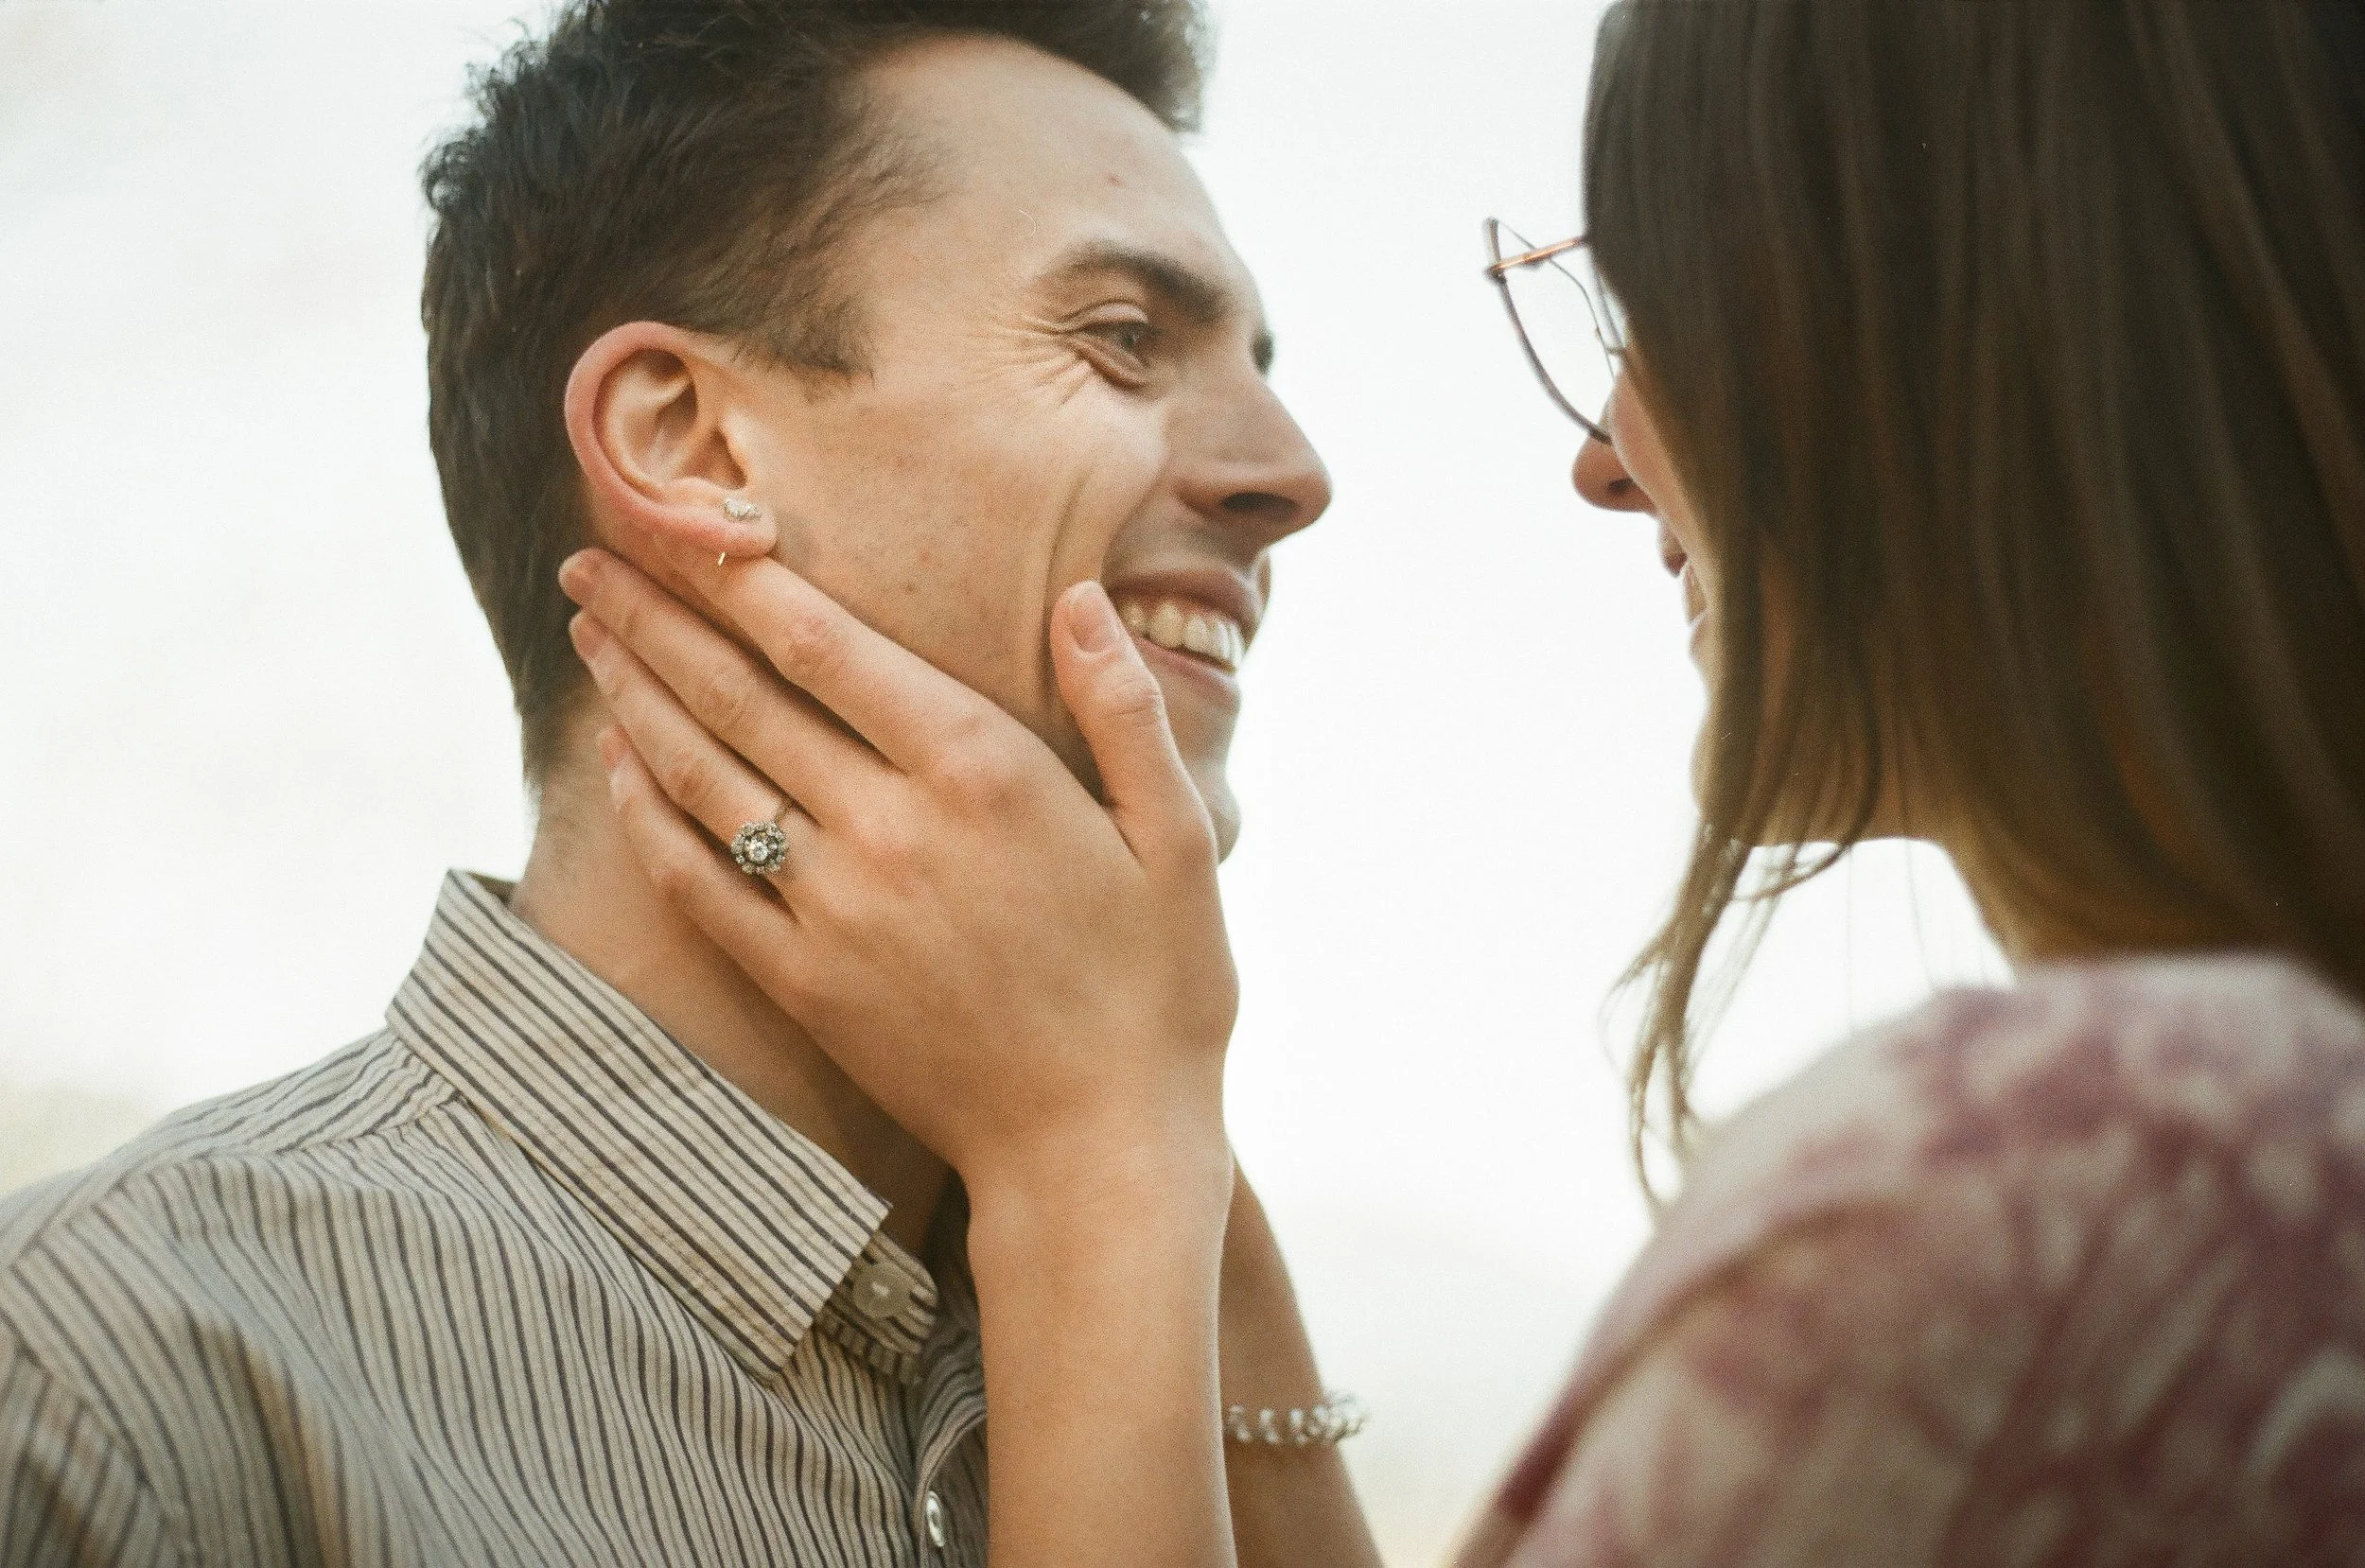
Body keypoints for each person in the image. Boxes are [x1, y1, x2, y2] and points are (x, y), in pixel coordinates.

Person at [560, 0, 2365, 1561]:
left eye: (1669, 309)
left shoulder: (2051, 1192)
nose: (1605, 455)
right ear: (685, 443)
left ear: (1962, 335)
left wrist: (1086, 1153)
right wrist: (1153, 1143)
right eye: (1124, 340)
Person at [0, 2, 1381, 1564]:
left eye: (1257, 369)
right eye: (1126, 339)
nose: (1293, 473)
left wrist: (1139, 1158)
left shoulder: (1170, 1298)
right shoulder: (110, 1383)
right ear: (686, 440)